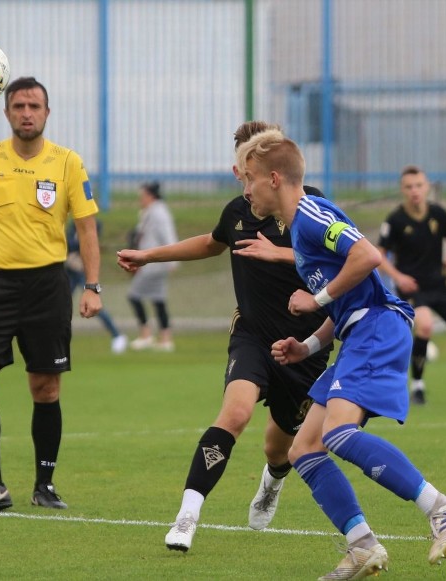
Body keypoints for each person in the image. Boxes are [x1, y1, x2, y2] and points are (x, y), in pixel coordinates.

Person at [236, 129, 446, 580]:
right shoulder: (300, 230)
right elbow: (348, 301)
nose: (245, 191)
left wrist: (317, 298)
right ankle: (362, 545)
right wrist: (305, 345)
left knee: (339, 434)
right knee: (304, 449)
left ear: (272, 177)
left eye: (248, 179)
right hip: (356, 330)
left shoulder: (309, 215)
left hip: (379, 327)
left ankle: (439, 506)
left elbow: (368, 255)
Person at [117, 121, 333, 553]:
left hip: (306, 346)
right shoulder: (236, 212)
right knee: (234, 415)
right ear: (242, 170)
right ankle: (187, 516)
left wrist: (280, 252)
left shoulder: (313, 207)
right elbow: (212, 243)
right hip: (252, 336)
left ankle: (271, 483)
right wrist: (149, 256)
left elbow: (345, 256)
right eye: (246, 166)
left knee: (278, 448)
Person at [0, 76, 103, 513]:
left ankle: (45, 485)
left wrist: (91, 286)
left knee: (45, 388)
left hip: (46, 287)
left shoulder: (68, 162)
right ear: (7, 113)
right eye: (19, 106)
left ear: (47, 113)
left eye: (34, 106)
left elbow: (86, 228)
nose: (27, 113)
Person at [376, 166, 446, 405]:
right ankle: (417, 387)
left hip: (440, 285)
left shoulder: (438, 213)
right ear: (402, 190)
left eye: (418, 186)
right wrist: (398, 277)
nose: (414, 191)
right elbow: (379, 255)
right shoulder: (395, 220)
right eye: (409, 187)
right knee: (424, 326)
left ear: (426, 187)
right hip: (413, 288)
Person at [125, 181, 179, 351]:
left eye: (142, 196)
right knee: (158, 299)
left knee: (134, 295)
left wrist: (173, 260)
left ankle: (146, 334)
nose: (140, 199)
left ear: (150, 195)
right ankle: (165, 338)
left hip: (155, 264)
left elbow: (168, 236)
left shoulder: (158, 213)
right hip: (153, 263)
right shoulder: (151, 212)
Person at [66, 220, 127, 354]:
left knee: (93, 304)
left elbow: (89, 243)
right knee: (61, 305)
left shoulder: (95, 223)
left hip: (84, 271)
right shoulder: (72, 224)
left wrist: (77, 245)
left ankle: (117, 336)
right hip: (70, 269)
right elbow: (69, 244)